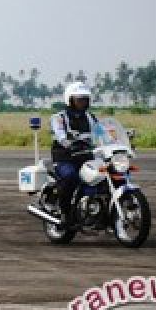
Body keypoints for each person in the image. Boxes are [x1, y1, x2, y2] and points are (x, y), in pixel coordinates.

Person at [51, 82, 98, 231]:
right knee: (70, 176)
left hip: (86, 156)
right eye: (79, 99)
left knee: (102, 175)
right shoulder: (60, 118)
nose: (83, 102)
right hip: (65, 157)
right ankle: (65, 214)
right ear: (70, 100)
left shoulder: (90, 117)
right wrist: (68, 143)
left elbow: (101, 133)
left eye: (85, 99)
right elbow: (60, 134)